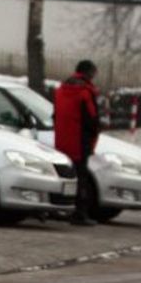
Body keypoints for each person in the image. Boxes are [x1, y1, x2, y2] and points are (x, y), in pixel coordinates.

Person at [53, 60, 102, 226]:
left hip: (62, 140)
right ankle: (80, 213)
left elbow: (55, 115)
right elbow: (92, 119)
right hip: (80, 142)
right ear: (88, 72)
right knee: (81, 177)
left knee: (65, 174)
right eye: (94, 73)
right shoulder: (85, 92)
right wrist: (93, 138)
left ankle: (60, 207)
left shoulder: (61, 89)